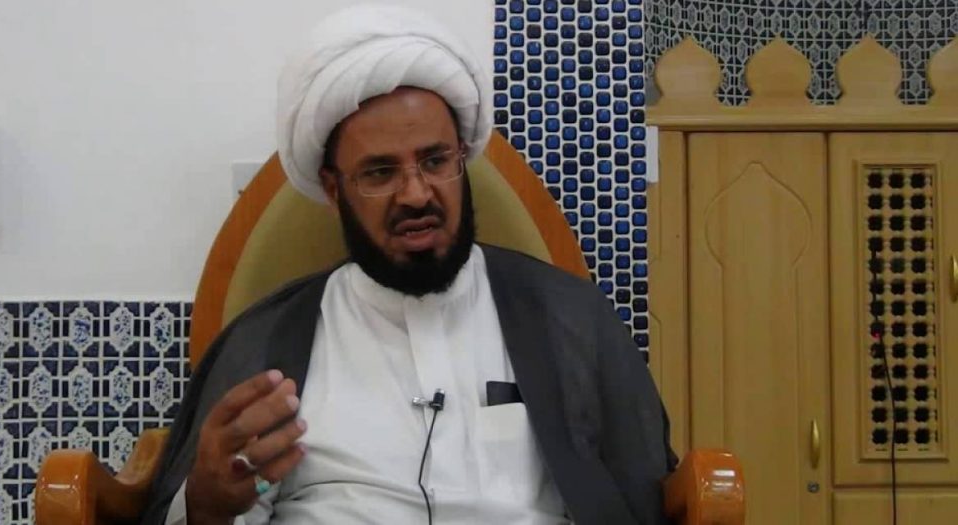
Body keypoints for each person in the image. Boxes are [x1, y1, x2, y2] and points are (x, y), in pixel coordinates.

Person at [142, 5, 675, 524]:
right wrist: (204, 506)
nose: (417, 194)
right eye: (380, 172)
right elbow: (222, 500)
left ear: (461, 157)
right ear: (334, 189)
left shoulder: (571, 320)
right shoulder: (267, 344)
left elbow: (644, 494)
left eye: (435, 161)